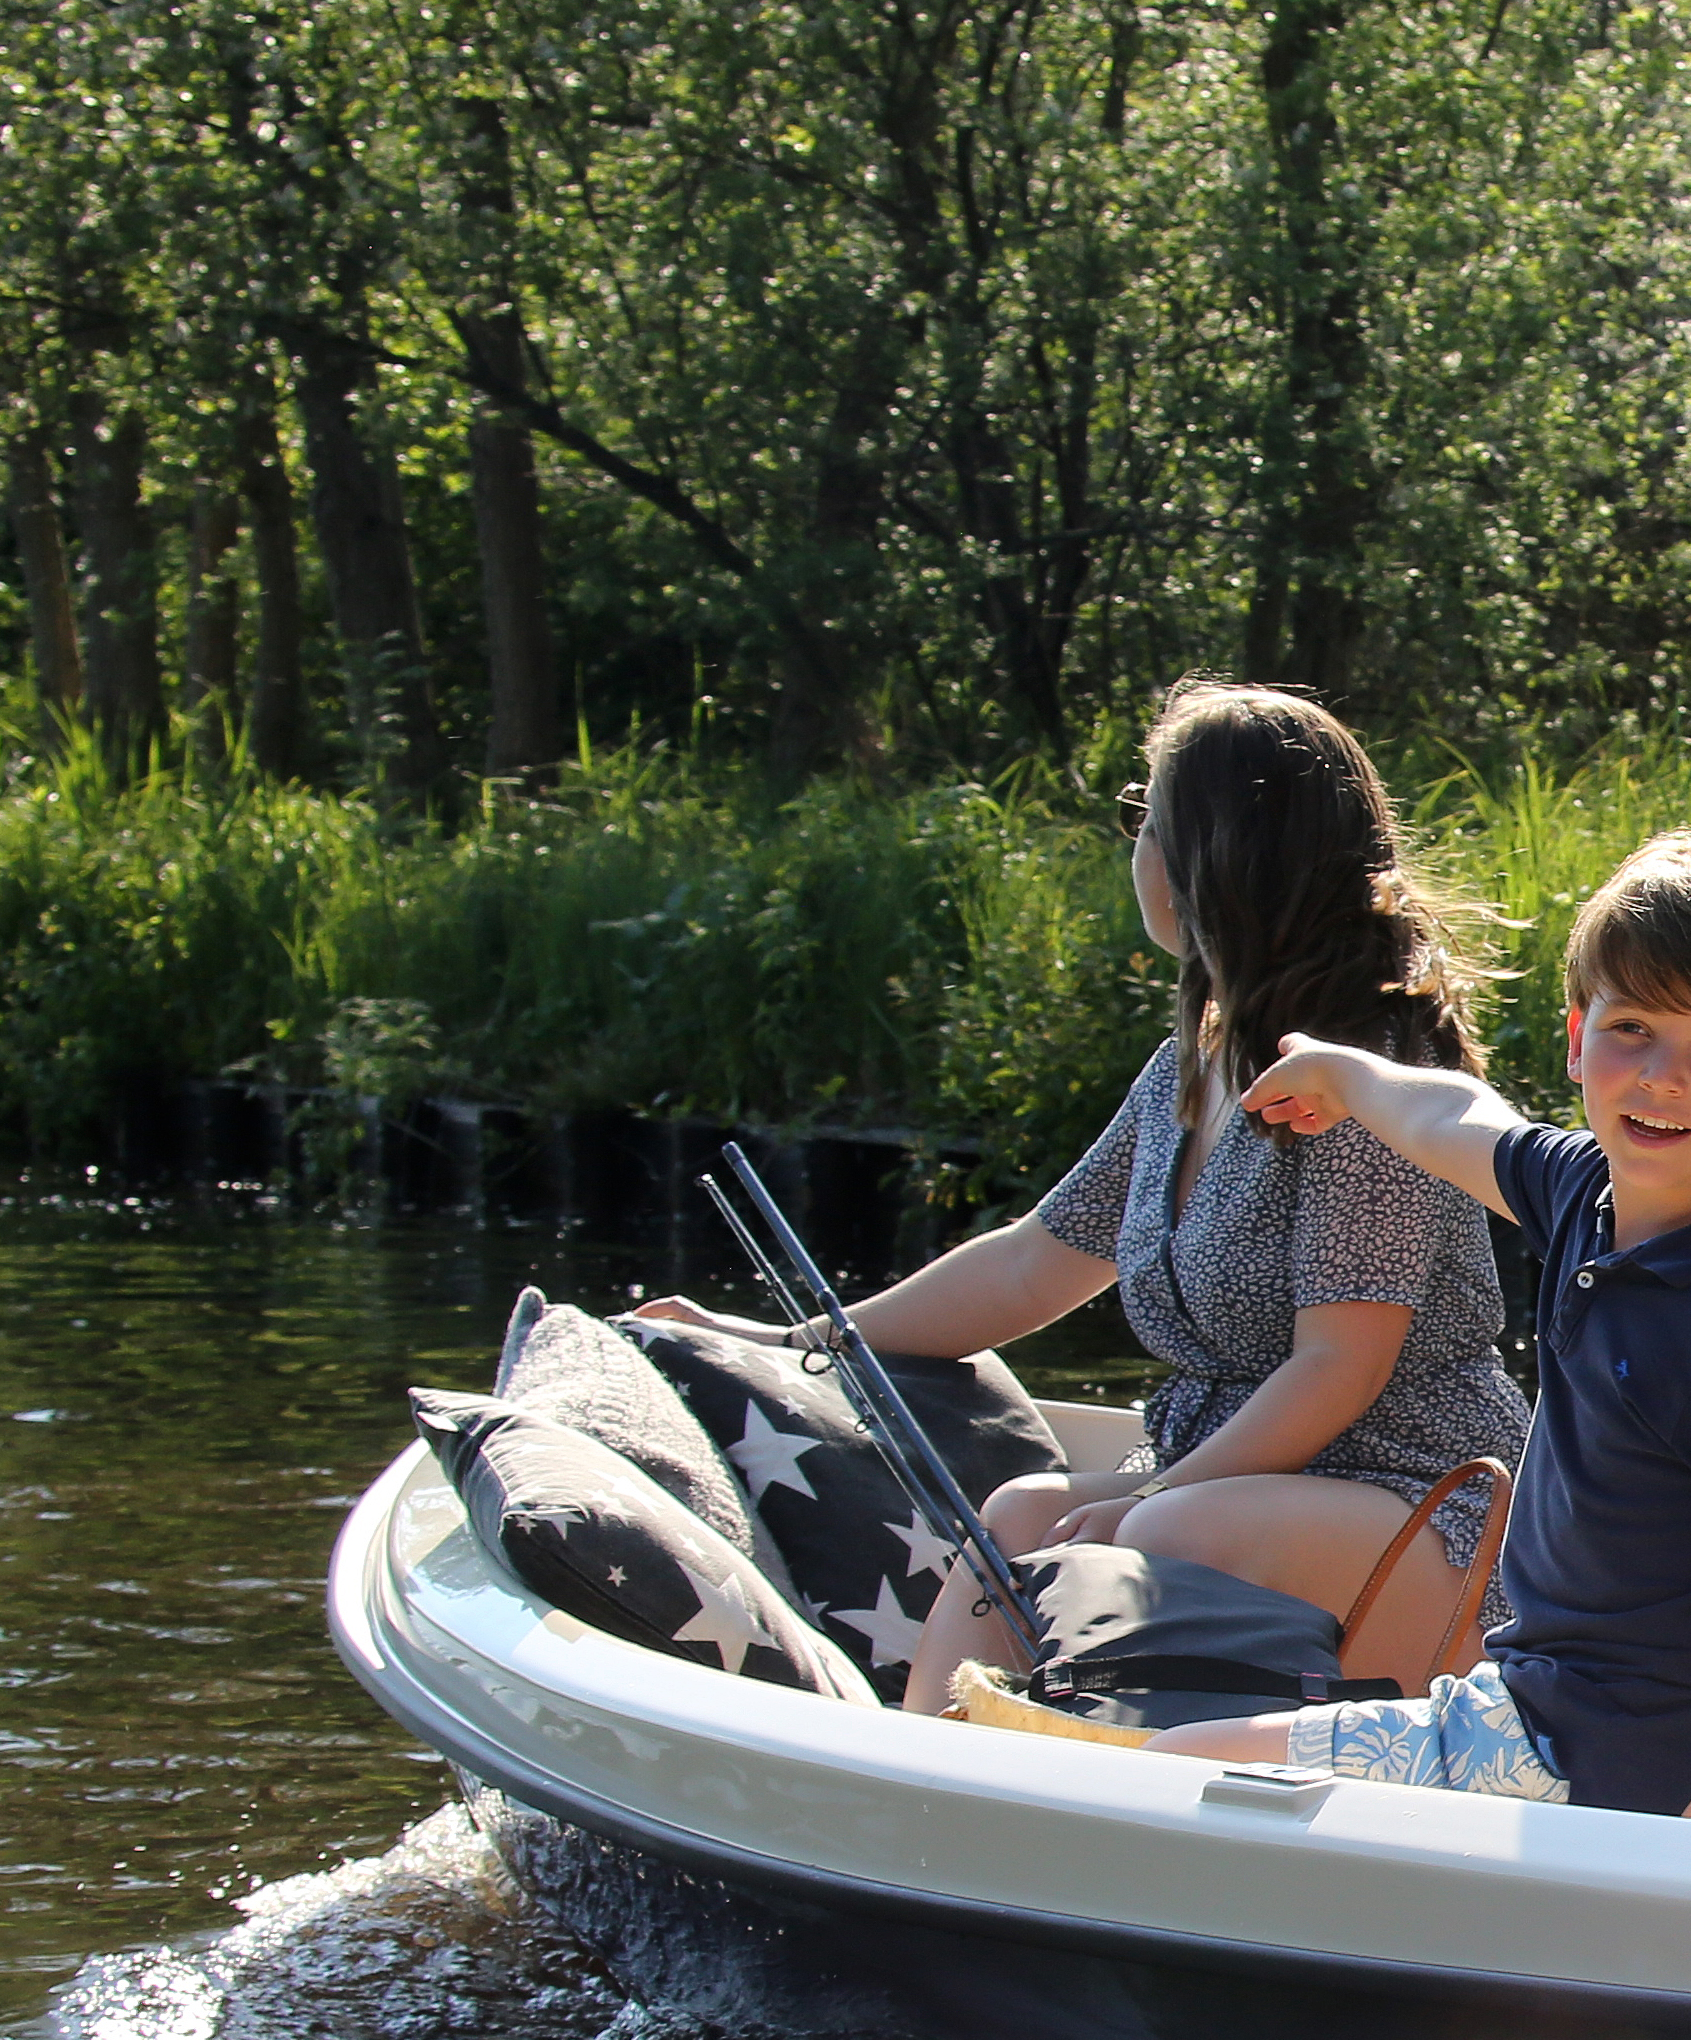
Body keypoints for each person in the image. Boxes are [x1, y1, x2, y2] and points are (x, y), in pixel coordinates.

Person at [642, 677, 1523, 1713]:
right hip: (1230, 1484)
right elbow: (1029, 1262)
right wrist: (796, 1342)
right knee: (1016, 1513)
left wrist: (1151, 1491)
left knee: (1161, 1532)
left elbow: (1340, 1367)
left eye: (1145, 818)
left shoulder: (1366, 1080)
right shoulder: (1181, 1077)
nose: (1134, 845)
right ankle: (913, 1787)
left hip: (1428, 1503)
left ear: (1209, 861)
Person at [1142, 829, 1691, 1824]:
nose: (1660, 1075)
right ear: (1577, 1035)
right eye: (1633, 1029)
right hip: (1520, 1709)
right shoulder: (1588, 1188)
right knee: (1178, 1755)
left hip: (1593, 1762)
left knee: (1173, 1773)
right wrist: (1344, 1074)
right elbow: (1457, 1117)